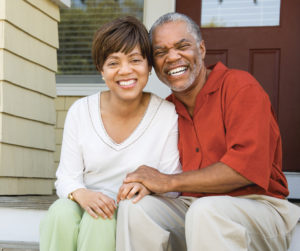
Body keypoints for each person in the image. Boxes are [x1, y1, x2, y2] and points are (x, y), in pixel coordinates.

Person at [116, 12, 300, 251]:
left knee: (206, 211)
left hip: (260, 208)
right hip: (193, 208)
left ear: (201, 49)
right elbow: (156, 175)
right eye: (160, 52)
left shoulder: (240, 87)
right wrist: (143, 183)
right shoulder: (166, 109)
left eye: (182, 46)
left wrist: (166, 181)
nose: (172, 57)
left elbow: (244, 170)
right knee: (135, 207)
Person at [39, 16, 181, 251]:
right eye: (113, 63)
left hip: (133, 212)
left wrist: (148, 187)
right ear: (101, 70)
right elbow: (66, 177)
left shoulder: (166, 115)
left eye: (135, 60)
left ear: (149, 66)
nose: (125, 71)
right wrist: (82, 195)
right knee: (60, 212)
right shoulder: (80, 111)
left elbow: (172, 181)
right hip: (85, 205)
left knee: (100, 222)